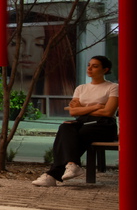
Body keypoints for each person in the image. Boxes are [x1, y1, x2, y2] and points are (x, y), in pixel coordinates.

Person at [33, 56, 120, 187]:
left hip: (103, 124)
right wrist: (96, 106)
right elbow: (73, 112)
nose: (89, 68)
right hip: (82, 121)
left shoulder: (113, 87)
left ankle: (53, 174)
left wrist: (82, 108)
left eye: (95, 66)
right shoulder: (81, 88)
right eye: (89, 65)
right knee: (65, 127)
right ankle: (71, 164)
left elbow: (108, 112)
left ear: (105, 69)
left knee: (75, 135)